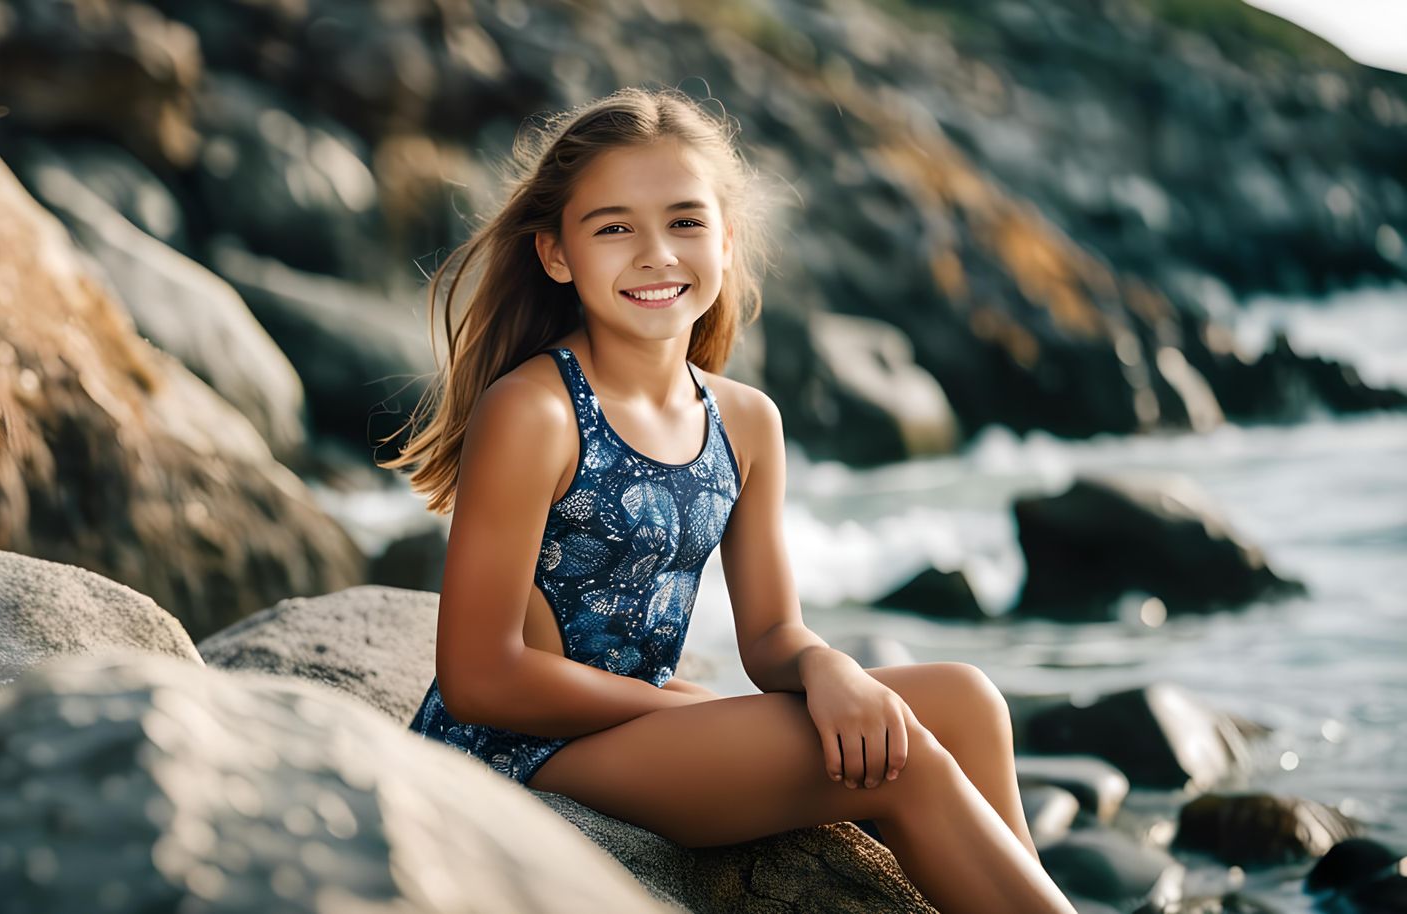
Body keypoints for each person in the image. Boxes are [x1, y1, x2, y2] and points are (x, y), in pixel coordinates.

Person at [380, 86, 1077, 913]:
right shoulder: (535, 411)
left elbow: (773, 634)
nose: (655, 254)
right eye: (614, 227)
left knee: (967, 701)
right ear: (556, 253)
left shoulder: (745, 421)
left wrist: (829, 669)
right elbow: (479, 677)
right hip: (520, 751)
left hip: (639, 725)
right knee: (906, 761)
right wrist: (674, 707)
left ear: (727, 238)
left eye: (684, 221)